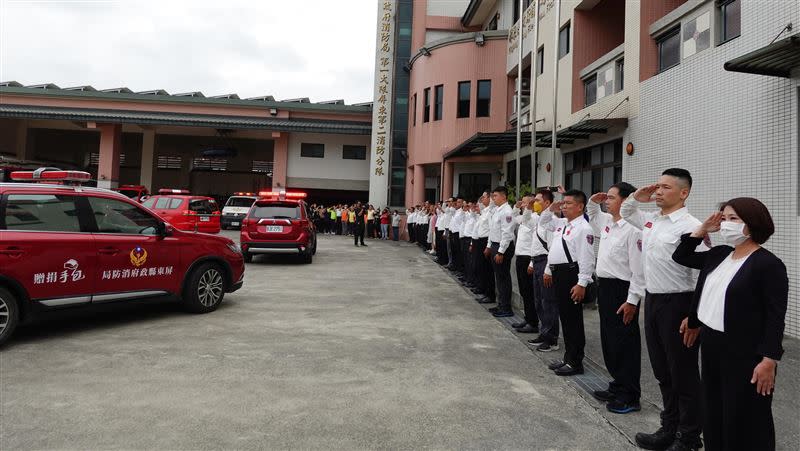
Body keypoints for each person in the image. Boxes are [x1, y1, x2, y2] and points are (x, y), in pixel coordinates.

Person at [672, 198, 787, 451]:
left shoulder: (768, 264)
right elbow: (681, 255)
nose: (725, 224)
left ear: (752, 224)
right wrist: (702, 229)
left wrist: (769, 360)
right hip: (713, 346)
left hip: (746, 354)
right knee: (715, 411)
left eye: (733, 219)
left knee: (747, 418)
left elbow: (775, 317)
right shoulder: (720, 254)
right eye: (723, 218)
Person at [621, 168, 705, 451]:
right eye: (657, 186)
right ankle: (668, 428)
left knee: (683, 373)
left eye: (665, 187)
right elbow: (626, 212)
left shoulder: (691, 226)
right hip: (654, 301)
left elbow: (703, 275)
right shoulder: (652, 221)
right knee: (662, 371)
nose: (657, 191)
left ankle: (689, 436)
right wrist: (635, 196)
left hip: (679, 303)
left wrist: (694, 317)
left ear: (684, 192)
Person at [587, 183, 645, 414]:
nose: (606, 201)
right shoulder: (608, 223)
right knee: (609, 340)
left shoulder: (633, 229)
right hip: (606, 287)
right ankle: (617, 384)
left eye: (611, 197)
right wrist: (593, 201)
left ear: (626, 200)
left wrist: (633, 300)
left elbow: (639, 270)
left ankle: (630, 395)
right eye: (606, 198)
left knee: (625, 343)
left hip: (623, 290)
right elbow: (593, 215)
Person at [539, 189, 595, 376]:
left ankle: (575, 361)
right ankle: (567, 357)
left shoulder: (583, 228)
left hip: (571, 275)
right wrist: (550, 209)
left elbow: (587, 258)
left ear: (580, 207)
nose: (564, 206)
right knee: (565, 317)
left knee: (573, 320)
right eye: (564, 203)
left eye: (569, 203)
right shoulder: (563, 223)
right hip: (559, 274)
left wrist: (582, 283)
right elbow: (543, 222)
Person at [525, 189, 559, 352]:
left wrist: (548, 269)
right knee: (539, 301)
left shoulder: (552, 220)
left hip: (546, 262)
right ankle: (544, 332)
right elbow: (525, 222)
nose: (535, 203)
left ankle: (551, 339)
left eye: (538, 200)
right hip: (537, 261)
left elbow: (552, 247)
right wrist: (532, 262)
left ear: (547, 203)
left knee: (549, 302)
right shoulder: (538, 219)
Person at [485, 186, 516, 318]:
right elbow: (493, 230)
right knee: (498, 277)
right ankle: (501, 304)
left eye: (496, 196)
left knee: (503, 278)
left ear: (504, 196)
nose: (493, 198)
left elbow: (507, 233)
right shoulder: (497, 210)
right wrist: (490, 245)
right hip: (496, 245)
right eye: (493, 196)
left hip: (503, 247)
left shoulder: (507, 212)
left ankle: (506, 308)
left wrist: (501, 252)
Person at [510, 195, 539, 334]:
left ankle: (533, 322)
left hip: (529, 258)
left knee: (529, 292)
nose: (523, 205)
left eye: (526, 202)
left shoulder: (534, 218)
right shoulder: (523, 218)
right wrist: (516, 207)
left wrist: (533, 262)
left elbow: (536, 243)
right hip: (520, 257)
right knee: (523, 291)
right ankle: (527, 319)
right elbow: (513, 218)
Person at [473, 192, 496, 304]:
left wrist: (488, 246)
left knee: (488, 270)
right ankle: (485, 292)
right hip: (481, 240)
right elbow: (478, 207)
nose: (481, 199)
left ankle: (490, 295)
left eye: (484, 197)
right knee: (482, 268)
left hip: (487, 241)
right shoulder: (484, 211)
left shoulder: (491, 211)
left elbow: (491, 229)